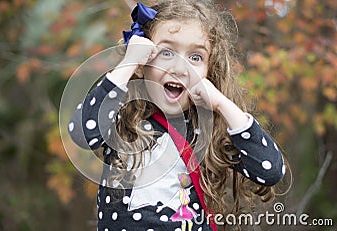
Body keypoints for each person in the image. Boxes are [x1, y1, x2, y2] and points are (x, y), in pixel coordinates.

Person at [68, 1, 286, 230]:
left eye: (195, 57)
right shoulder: (122, 120)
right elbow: (82, 133)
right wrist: (128, 63)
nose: (181, 68)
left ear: (209, 72)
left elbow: (270, 170)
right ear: (143, 63)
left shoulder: (208, 130)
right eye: (166, 52)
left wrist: (222, 104)